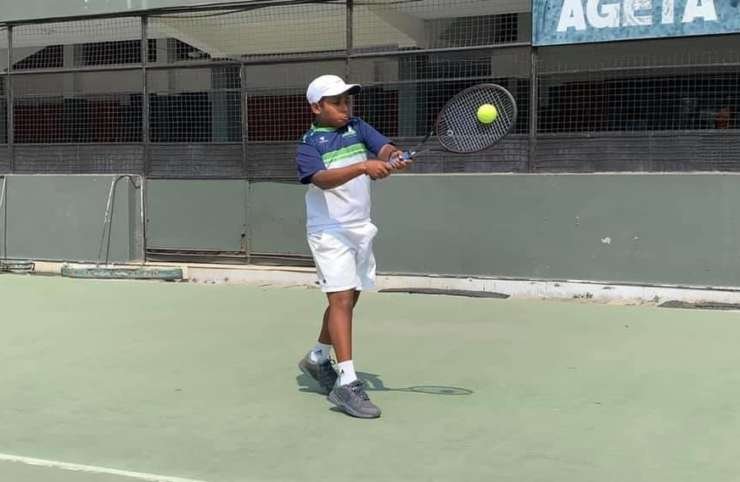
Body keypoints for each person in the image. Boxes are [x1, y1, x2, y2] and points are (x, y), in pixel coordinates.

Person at [295, 74, 409, 418]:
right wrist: (362, 166)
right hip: (329, 230)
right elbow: (321, 180)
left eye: (348, 101)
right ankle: (347, 383)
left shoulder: (358, 127)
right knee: (341, 298)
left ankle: (317, 357)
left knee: (350, 297)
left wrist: (393, 155)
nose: (346, 108)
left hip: (360, 228)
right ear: (317, 107)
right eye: (337, 102)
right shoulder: (309, 144)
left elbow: (383, 147)